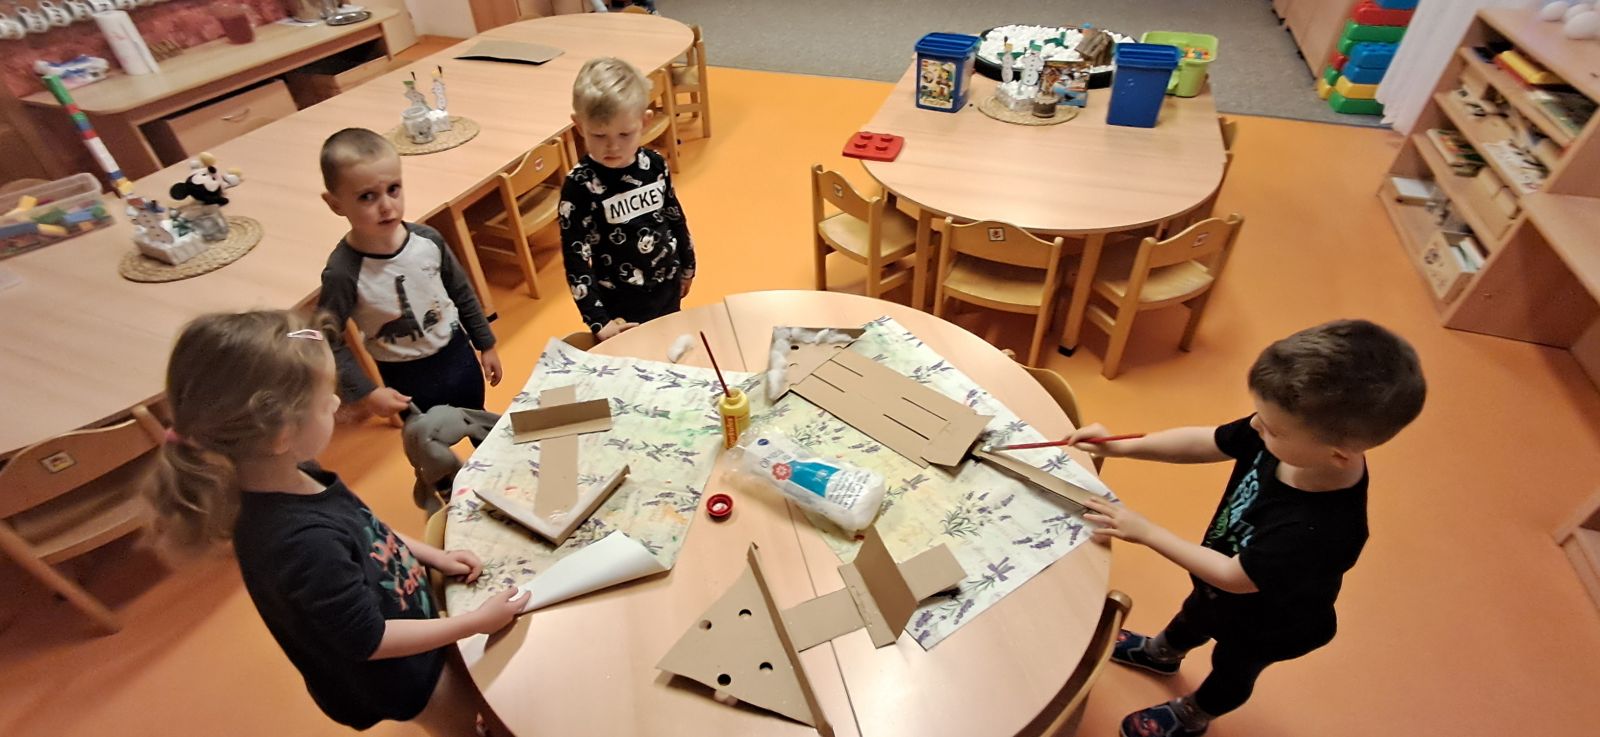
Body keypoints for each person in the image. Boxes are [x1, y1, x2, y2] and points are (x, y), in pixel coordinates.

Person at [146, 310, 525, 735]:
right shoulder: (299, 544)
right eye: (325, 400)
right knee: (464, 723)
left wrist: (431, 556)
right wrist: (474, 624)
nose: (336, 403)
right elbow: (370, 640)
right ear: (281, 436)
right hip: (402, 675)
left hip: (417, 627)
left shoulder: (291, 472)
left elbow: (364, 527)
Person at [1069, 319, 1426, 737]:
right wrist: (1122, 447)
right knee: (1194, 615)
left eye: (1269, 427)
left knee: (1232, 670)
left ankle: (1193, 713)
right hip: (1218, 586)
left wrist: (1146, 531)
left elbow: (1234, 577)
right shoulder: (1286, 434)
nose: (1255, 426)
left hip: (1268, 622)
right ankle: (1161, 653)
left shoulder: (1321, 529)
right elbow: (1210, 441)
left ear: (1339, 454)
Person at [316, 127, 502, 417]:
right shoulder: (343, 273)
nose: (386, 206)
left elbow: (461, 291)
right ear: (335, 204)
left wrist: (486, 343)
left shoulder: (428, 240)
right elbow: (325, 336)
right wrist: (367, 392)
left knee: (477, 417)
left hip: (456, 353)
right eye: (367, 197)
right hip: (405, 375)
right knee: (430, 438)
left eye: (393, 189)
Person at [560, 57, 695, 341]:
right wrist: (599, 321)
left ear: (645, 121)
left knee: (668, 347)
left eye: (625, 133)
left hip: (667, 286)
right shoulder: (579, 185)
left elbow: (674, 217)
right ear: (579, 126)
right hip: (620, 301)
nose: (613, 146)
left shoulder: (655, 164)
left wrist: (688, 266)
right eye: (599, 135)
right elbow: (576, 257)